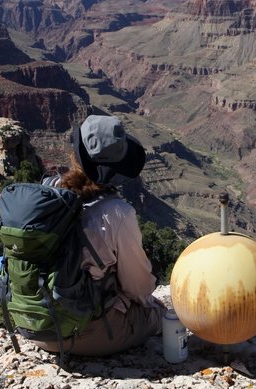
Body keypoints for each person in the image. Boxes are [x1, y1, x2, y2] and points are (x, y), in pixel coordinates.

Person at [27, 114, 166, 356]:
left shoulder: (49, 190)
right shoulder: (117, 212)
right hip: (83, 334)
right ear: (119, 168)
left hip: (35, 328)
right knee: (163, 315)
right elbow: (138, 286)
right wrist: (150, 306)